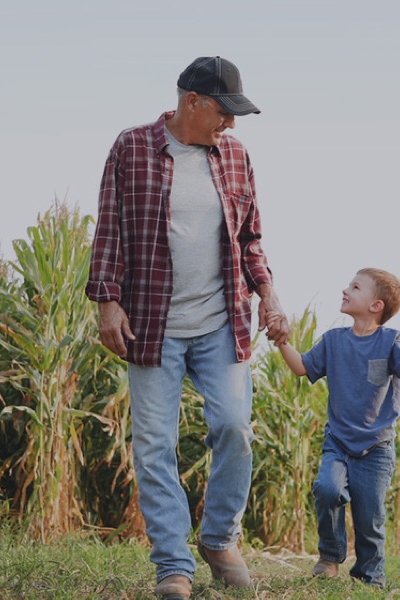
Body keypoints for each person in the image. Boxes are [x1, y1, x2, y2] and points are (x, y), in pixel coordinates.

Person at [86, 56, 290, 600]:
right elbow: (109, 230)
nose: (232, 124)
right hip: (152, 325)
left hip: (221, 321)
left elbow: (250, 239)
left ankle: (220, 539)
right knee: (155, 445)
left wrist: (268, 295)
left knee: (235, 429)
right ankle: (172, 565)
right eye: (225, 112)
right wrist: (107, 301)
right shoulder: (132, 148)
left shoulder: (236, 156)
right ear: (191, 102)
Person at [268, 268, 400, 587]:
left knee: (370, 518)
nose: (345, 290)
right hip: (338, 443)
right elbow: (302, 367)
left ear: (375, 305)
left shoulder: (389, 340)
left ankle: (370, 574)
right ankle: (330, 555)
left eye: (355, 287)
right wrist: (282, 342)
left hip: (376, 448)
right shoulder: (333, 341)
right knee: (327, 488)